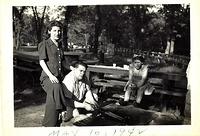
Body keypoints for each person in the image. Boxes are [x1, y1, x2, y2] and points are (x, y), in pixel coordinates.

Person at [38, 21, 70, 127]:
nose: (57, 33)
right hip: (47, 78)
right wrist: (51, 76)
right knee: (56, 87)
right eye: (55, 31)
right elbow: (42, 61)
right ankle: (64, 109)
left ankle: (50, 125)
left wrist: (73, 68)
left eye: (59, 31)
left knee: (52, 97)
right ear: (49, 31)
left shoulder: (59, 45)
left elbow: (64, 62)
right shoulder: (44, 44)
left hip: (58, 78)